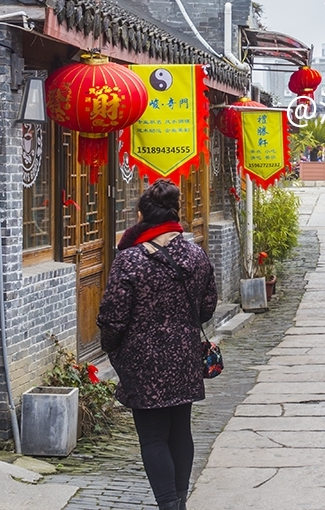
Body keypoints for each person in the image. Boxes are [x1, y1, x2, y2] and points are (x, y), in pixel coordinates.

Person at [97, 179, 217, 510]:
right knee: (180, 431)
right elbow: (207, 307)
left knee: (152, 438)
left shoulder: (131, 260)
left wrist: (113, 348)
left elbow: (112, 317)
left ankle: (169, 505)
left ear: (142, 217)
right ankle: (178, 501)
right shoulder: (196, 254)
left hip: (143, 362)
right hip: (184, 356)